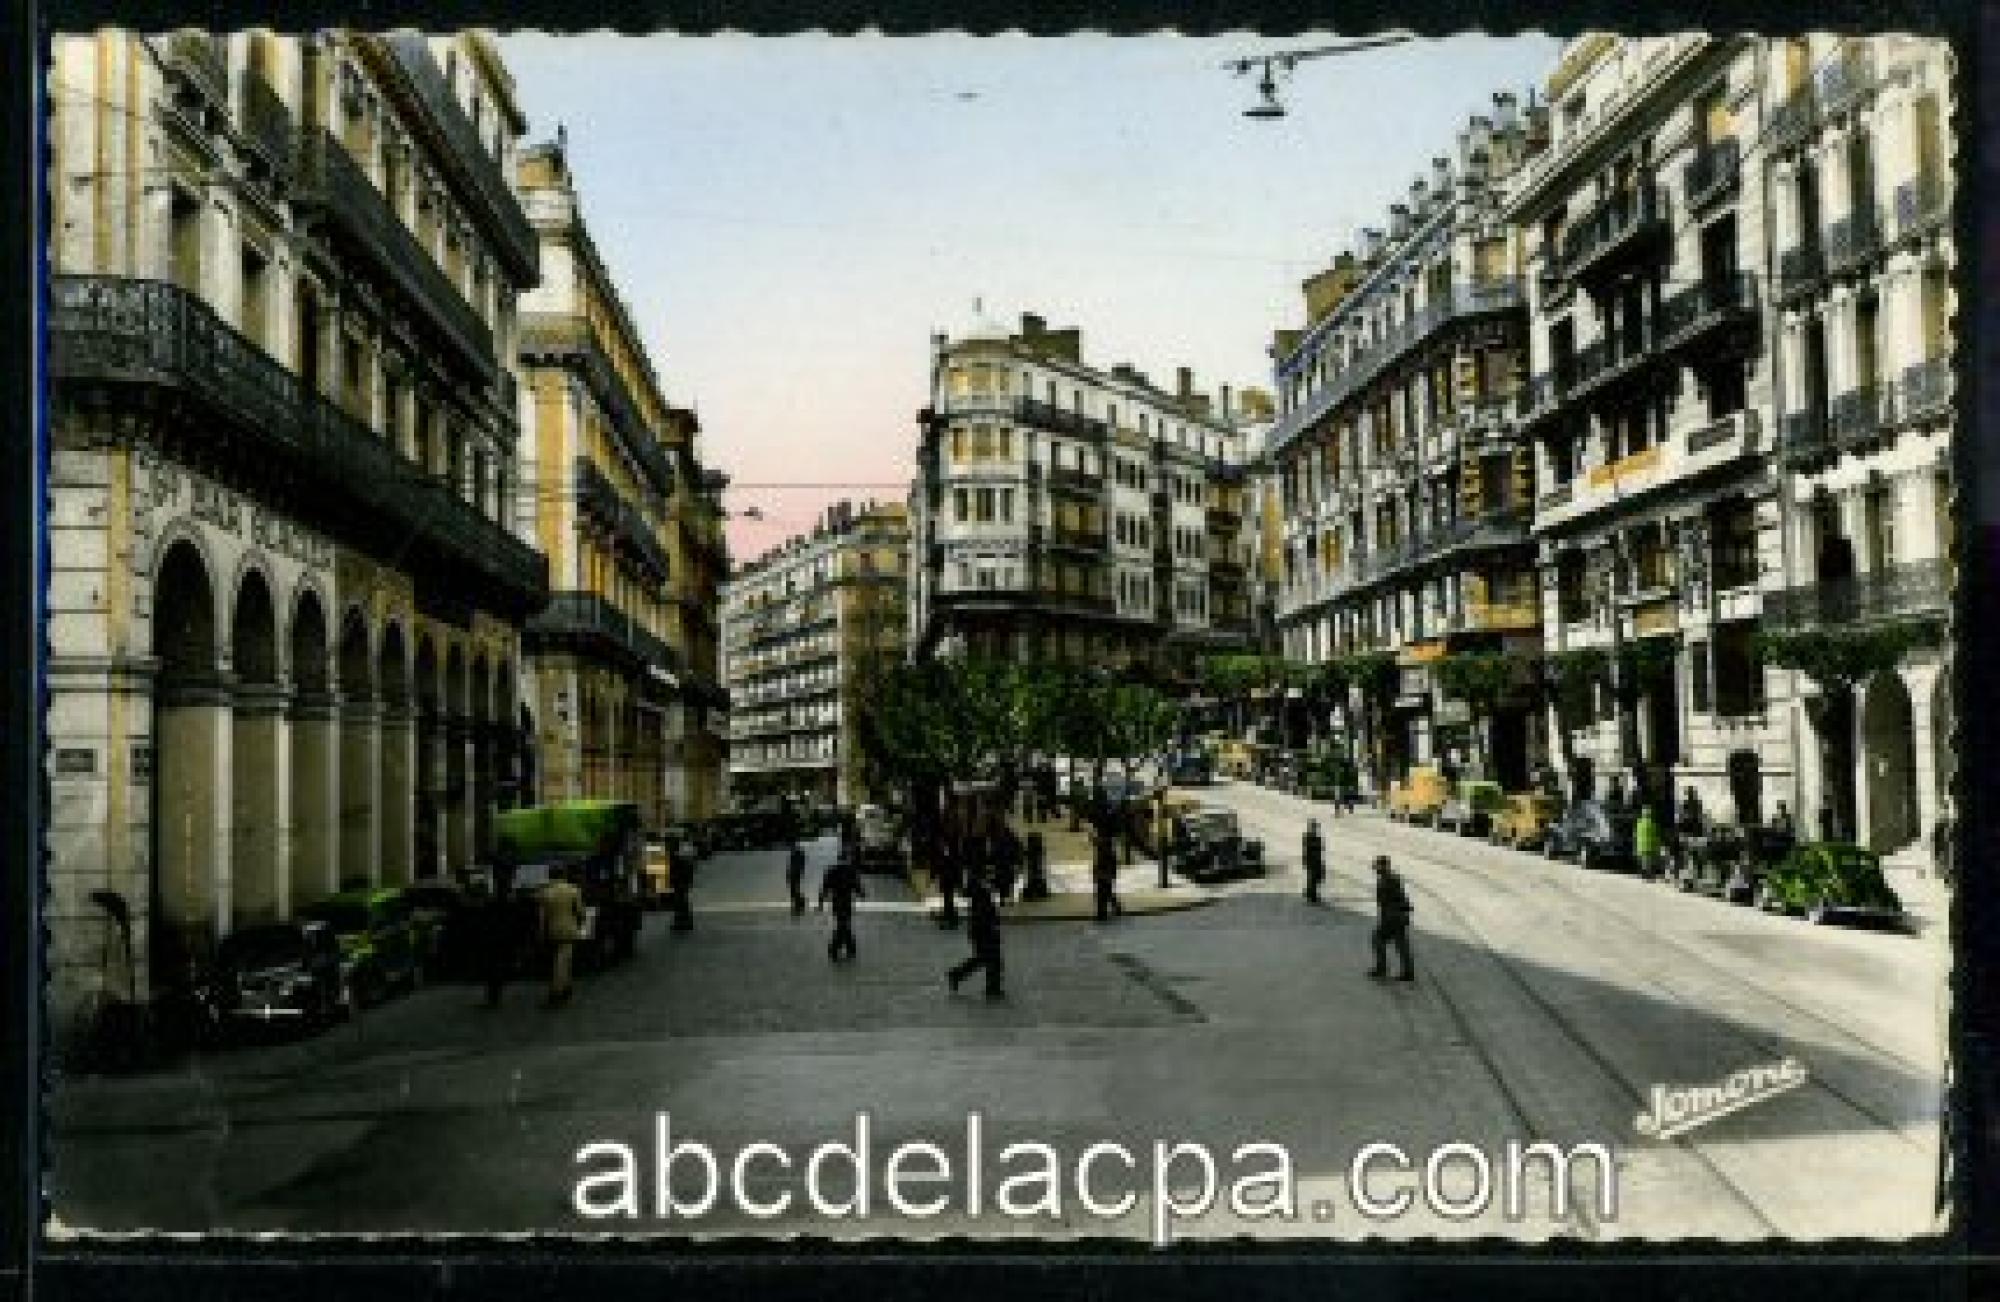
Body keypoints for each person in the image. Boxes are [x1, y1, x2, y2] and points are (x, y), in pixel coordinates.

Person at [948, 877, 1005, 999]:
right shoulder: (981, 892)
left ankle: (992, 986)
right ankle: (992, 987)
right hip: (983, 929)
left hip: (981, 929)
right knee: (990, 957)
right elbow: (986, 912)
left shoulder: (980, 890)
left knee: (986, 957)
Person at [540, 866, 586, 1006]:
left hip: (552, 929)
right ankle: (559, 989)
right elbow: (580, 911)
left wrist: (542, 931)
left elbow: (542, 916)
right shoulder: (573, 890)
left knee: (556, 959)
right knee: (564, 959)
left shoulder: (546, 892)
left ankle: (564, 986)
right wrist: (581, 921)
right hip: (569, 928)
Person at [1366, 855, 1415, 982]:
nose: (1375, 868)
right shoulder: (1390, 878)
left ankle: (1382, 968)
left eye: (1377, 865)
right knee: (1401, 944)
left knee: (1377, 939)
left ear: (1384, 866)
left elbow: (1388, 901)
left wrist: (1387, 918)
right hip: (1399, 916)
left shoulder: (1387, 880)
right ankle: (1408, 972)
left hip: (1392, 916)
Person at [480, 860, 520, 1008]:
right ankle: (495, 992)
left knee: (493, 965)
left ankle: (493, 994)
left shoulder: (490, 900)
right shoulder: (509, 900)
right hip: (503, 935)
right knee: (500, 963)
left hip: (493, 935)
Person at [818, 849, 865, 962]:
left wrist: (821, 902)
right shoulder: (851, 871)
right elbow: (857, 887)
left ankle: (839, 947)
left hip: (836, 900)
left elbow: (824, 888)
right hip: (847, 901)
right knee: (844, 923)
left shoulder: (832, 870)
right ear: (847, 858)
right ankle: (845, 947)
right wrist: (861, 894)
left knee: (841, 923)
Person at [1091, 819, 1123, 923]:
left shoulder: (1105, 844)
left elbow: (1108, 858)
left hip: (1105, 870)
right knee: (1106, 891)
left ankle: (1105, 912)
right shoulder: (1105, 843)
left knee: (1104, 891)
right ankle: (1111, 909)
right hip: (1104, 870)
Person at [991, 821, 1022, 904]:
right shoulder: (1000, 836)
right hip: (1004, 863)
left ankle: (1003, 896)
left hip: (1004, 862)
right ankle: (1003, 896)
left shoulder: (997, 836)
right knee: (1004, 880)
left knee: (1004, 880)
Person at [1634, 803, 1664, 880]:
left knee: (1644, 862)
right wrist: (1658, 845)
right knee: (1650, 862)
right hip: (1651, 847)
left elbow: (1636, 835)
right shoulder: (1653, 824)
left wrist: (1637, 845)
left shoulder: (1639, 823)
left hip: (1642, 846)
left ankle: (1644, 874)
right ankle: (1649, 875)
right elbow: (1657, 836)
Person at [1302, 819, 1326, 905]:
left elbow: (1321, 849)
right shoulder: (1309, 837)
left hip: (1316, 860)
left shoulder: (1315, 838)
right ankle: (1312, 896)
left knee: (1314, 879)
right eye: (1314, 827)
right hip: (1312, 860)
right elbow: (1307, 849)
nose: (1315, 829)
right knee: (1312, 879)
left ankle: (1311, 894)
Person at [785, 841, 808, 917]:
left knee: (794, 890)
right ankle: (799, 905)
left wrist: (790, 873)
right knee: (794, 890)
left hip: (796, 874)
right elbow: (792, 865)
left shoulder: (796, 853)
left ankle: (799, 906)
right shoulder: (796, 853)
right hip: (795, 874)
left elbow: (796, 865)